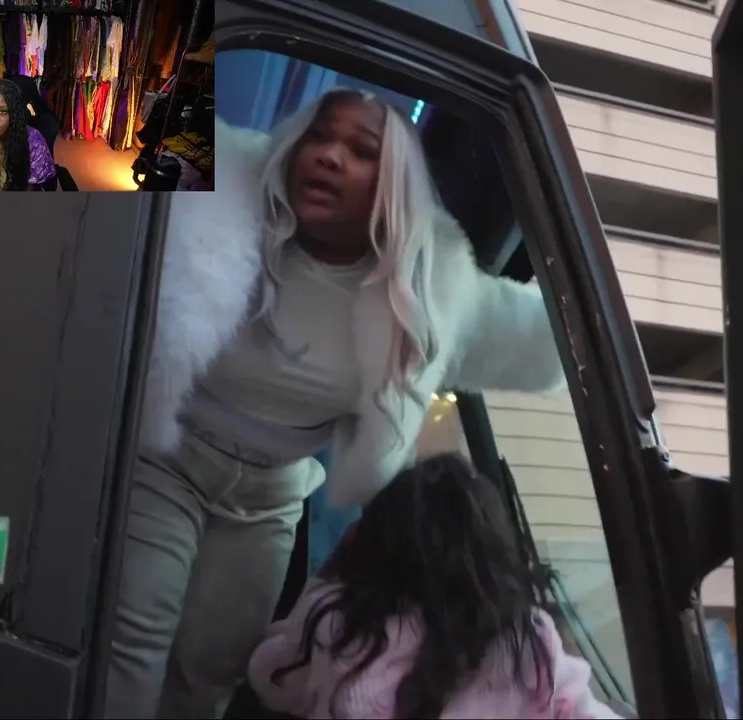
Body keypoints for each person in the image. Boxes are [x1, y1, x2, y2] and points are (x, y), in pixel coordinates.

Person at [106, 88, 567, 719]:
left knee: (213, 667)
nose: (328, 155)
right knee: (129, 646)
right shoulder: (216, 200)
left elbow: (552, 342)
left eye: (361, 150)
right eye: (319, 136)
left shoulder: (434, 291)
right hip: (168, 462)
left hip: (269, 495)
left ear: (394, 184)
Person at [247, 454, 622, 719]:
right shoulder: (526, 641)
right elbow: (581, 709)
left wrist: (323, 585)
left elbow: (271, 679)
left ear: (373, 544)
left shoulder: (337, 625)